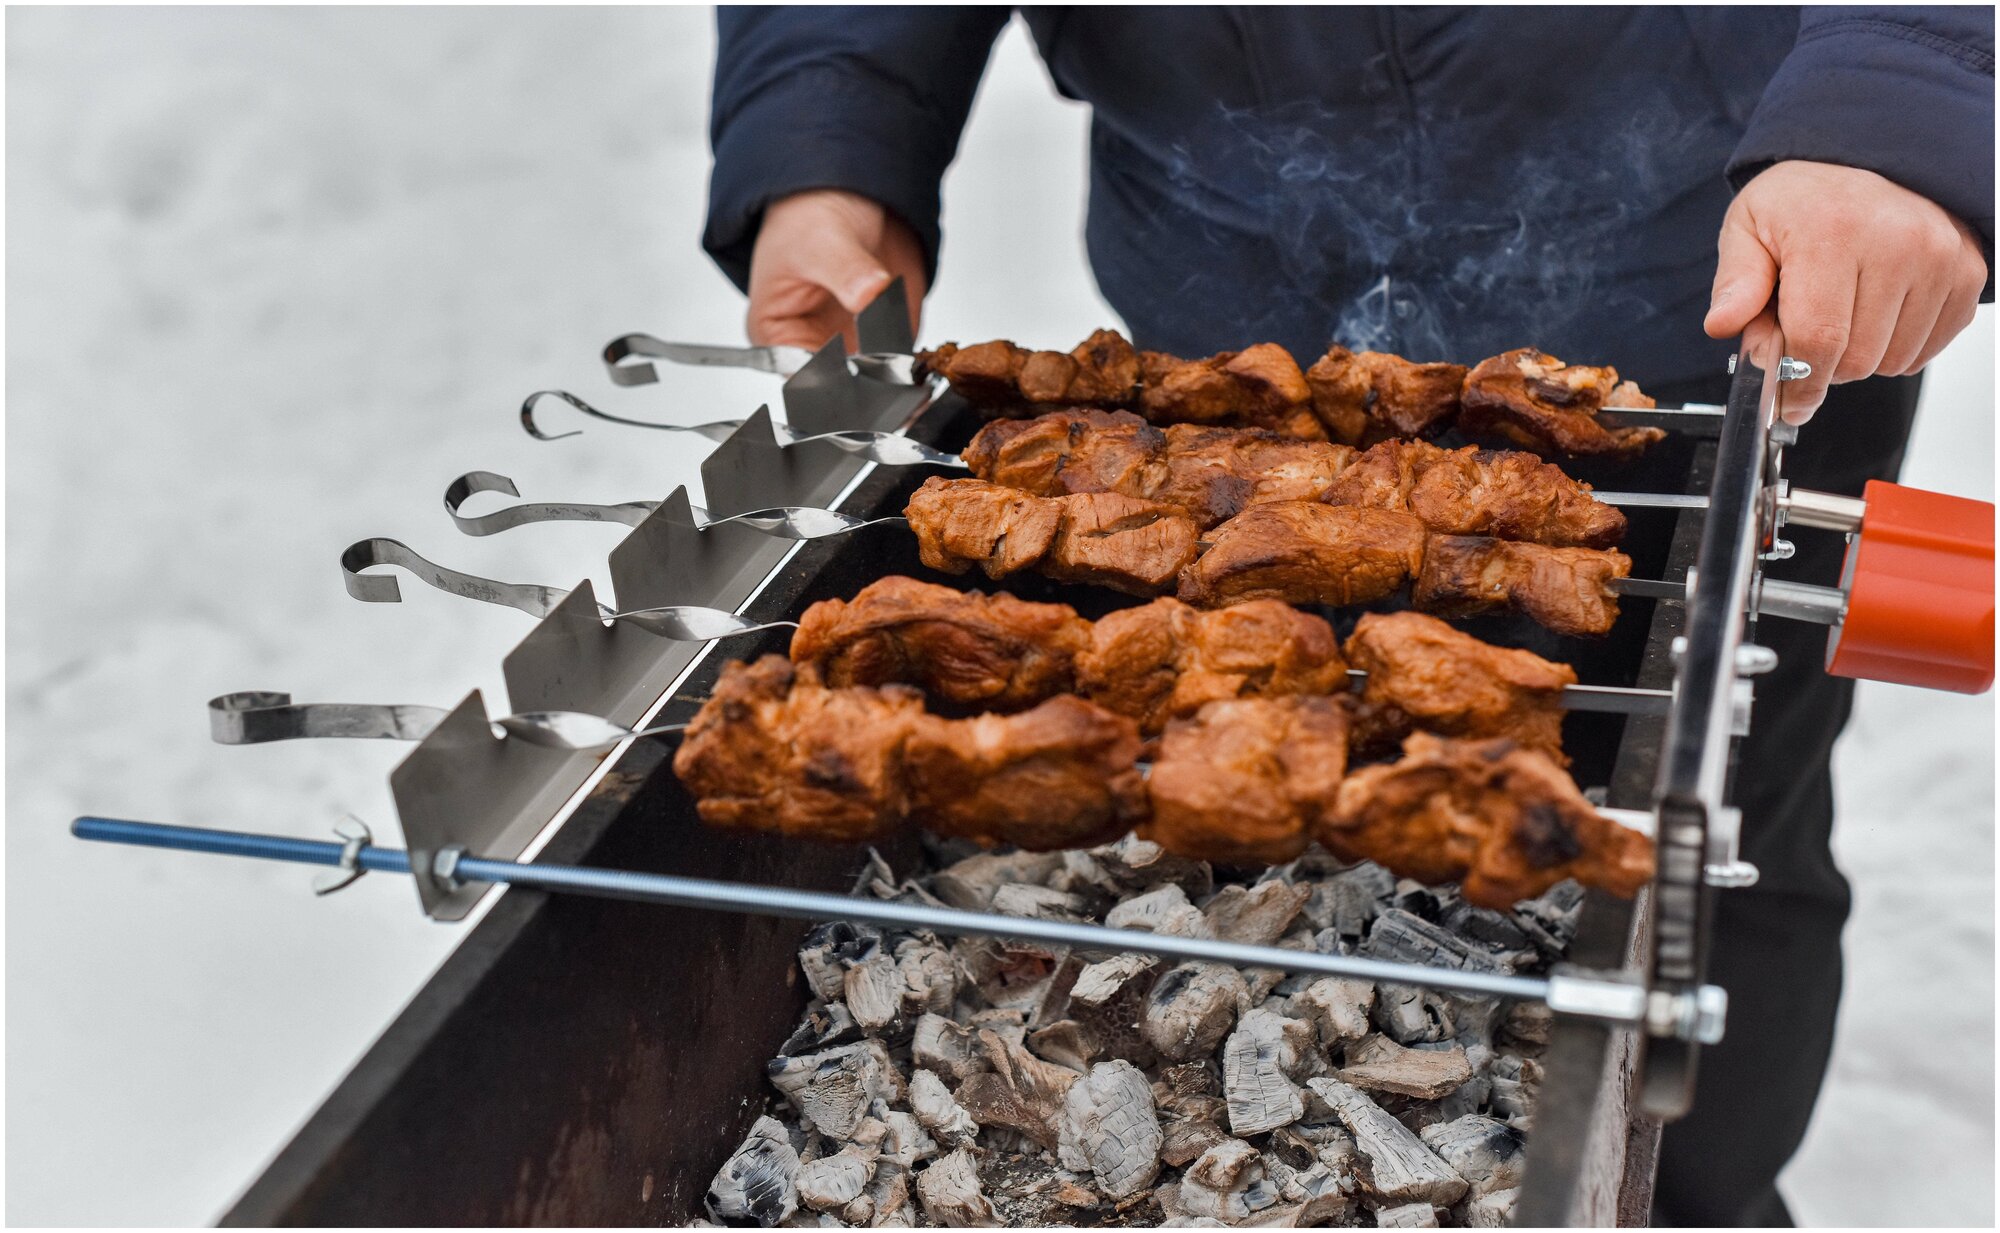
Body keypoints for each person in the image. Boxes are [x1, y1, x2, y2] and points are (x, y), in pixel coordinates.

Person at [700, 8, 1993, 1226]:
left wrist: (1903, 86)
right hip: (1234, 273)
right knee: (1246, 758)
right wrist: (828, 139)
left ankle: (1694, 1207)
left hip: (1740, 263)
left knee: (1714, 842)